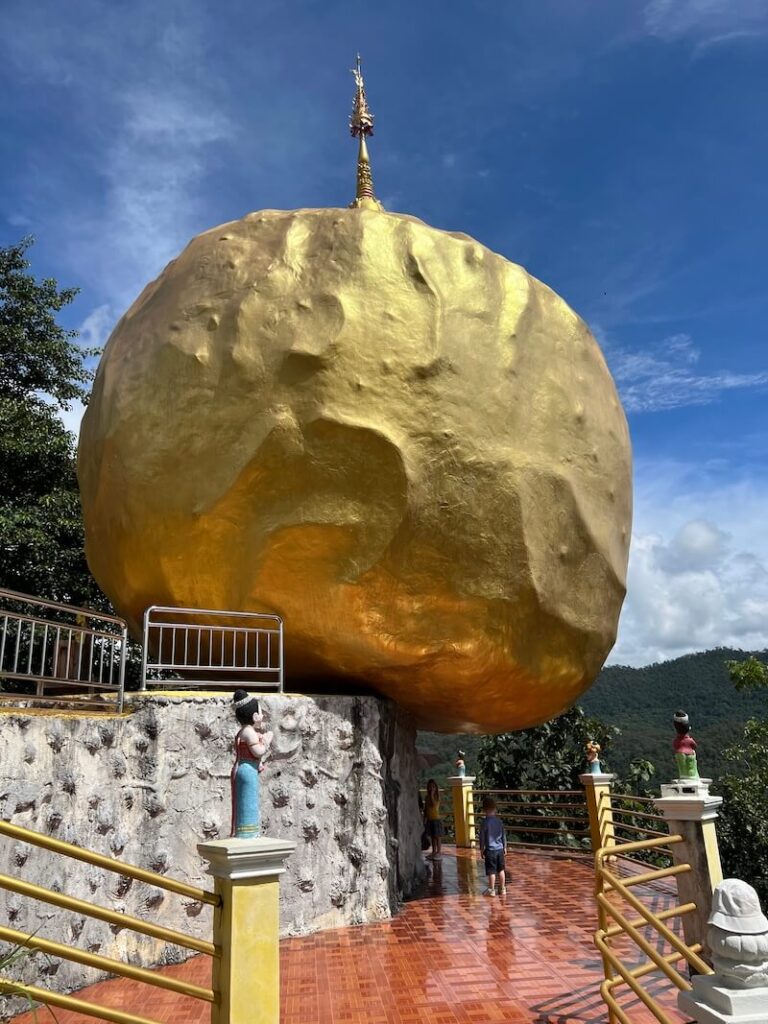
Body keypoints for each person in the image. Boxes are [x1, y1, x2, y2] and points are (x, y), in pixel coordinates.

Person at [230, 690, 273, 838]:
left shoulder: (244, 731)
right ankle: (248, 833)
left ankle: (246, 831)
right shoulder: (249, 732)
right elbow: (258, 752)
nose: (262, 716)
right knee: (248, 801)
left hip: (245, 769)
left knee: (245, 801)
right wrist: (266, 742)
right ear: (255, 716)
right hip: (247, 771)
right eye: (260, 713)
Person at [479, 795, 506, 896]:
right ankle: (503, 888)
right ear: (495, 808)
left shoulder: (484, 823)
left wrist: (481, 849)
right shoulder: (499, 822)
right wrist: (505, 847)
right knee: (501, 870)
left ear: (484, 810)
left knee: (491, 871)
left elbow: (482, 838)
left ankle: (491, 889)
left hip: (490, 850)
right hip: (500, 849)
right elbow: (503, 835)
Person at [423, 779, 444, 861]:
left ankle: (439, 852)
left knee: (437, 837)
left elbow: (434, 805)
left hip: (436, 819)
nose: (431, 788)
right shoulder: (427, 797)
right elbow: (426, 809)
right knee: (432, 837)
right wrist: (424, 818)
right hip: (429, 819)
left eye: (433, 787)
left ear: (436, 788)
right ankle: (434, 852)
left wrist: (432, 795)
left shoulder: (437, 797)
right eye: (430, 787)